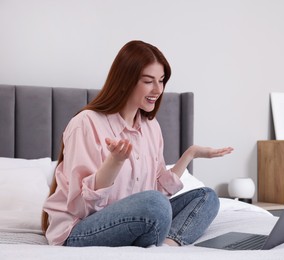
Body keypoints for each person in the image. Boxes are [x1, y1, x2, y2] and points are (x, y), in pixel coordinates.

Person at [42, 40, 233, 247]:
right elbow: (80, 206)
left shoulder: (151, 127)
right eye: (148, 81)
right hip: (80, 229)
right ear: (125, 81)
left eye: (161, 81)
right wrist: (114, 163)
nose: (158, 89)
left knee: (207, 197)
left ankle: (170, 246)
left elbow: (157, 191)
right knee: (155, 204)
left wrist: (190, 154)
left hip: (135, 219)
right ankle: (156, 244)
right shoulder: (86, 123)